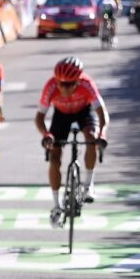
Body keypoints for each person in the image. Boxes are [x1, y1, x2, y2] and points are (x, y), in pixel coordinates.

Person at [34, 57, 109, 227]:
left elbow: (102, 113)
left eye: (68, 85)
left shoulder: (87, 84)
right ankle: (56, 205)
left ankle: (88, 185)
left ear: (77, 81)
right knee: (54, 157)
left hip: (83, 113)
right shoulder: (51, 86)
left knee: (91, 138)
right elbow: (39, 117)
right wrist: (46, 134)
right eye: (61, 83)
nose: (63, 88)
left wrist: (102, 134)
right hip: (61, 116)